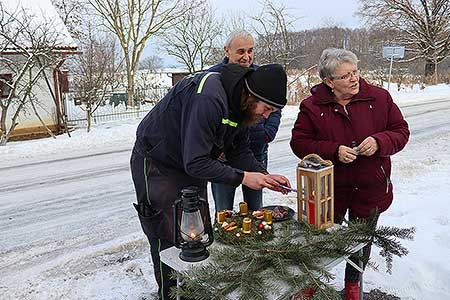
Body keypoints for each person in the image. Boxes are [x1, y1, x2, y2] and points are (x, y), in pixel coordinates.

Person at [131, 63, 291, 300]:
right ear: (251, 95)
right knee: (167, 234)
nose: (266, 116)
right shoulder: (209, 97)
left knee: (196, 231)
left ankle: (193, 291)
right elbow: (195, 162)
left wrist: (262, 175)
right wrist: (245, 178)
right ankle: (170, 293)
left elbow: (239, 149)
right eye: (266, 109)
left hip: (192, 160)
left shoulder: (241, 105)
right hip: (158, 162)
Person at [290, 48, 409, 300]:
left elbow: (401, 131)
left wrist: (379, 142)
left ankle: (353, 285)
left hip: (370, 188)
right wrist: (333, 150)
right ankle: (312, 282)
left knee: (360, 241)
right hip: (329, 191)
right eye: (345, 76)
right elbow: (299, 143)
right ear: (329, 82)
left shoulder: (379, 98)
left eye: (355, 72)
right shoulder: (312, 106)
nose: (354, 79)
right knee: (319, 240)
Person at [209, 29, 282, 212]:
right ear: (227, 50)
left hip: (256, 152)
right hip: (224, 158)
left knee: (255, 209)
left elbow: (275, 108)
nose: (246, 56)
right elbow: (207, 121)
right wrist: (214, 148)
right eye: (241, 51)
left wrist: (267, 133)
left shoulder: (259, 75)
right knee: (224, 211)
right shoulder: (214, 78)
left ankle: (256, 238)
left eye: (250, 51)